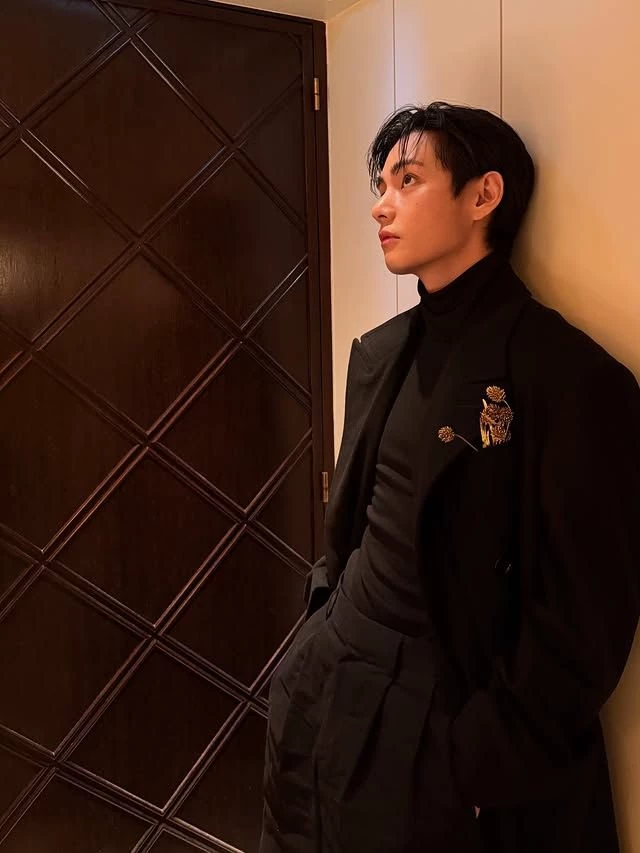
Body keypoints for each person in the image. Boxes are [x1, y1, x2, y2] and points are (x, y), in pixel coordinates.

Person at [258, 101, 640, 852]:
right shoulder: (379, 351)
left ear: (483, 195)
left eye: (408, 180)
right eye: (381, 185)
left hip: (437, 730)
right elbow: (354, 523)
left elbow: (585, 620)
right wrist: (318, 625)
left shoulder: (570, 378)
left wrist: (473, 765)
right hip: (326, 682)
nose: (381, 205)